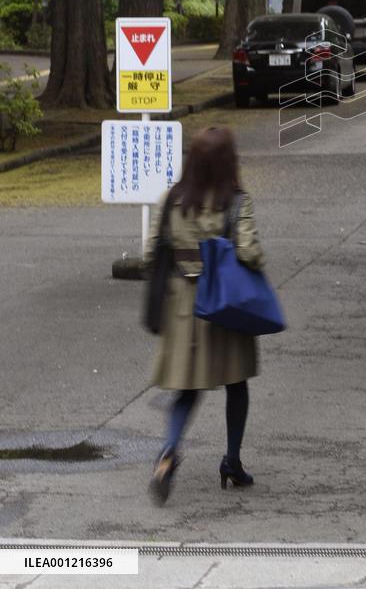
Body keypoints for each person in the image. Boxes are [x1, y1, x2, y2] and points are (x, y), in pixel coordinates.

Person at [142, 126, 265, 504]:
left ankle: (168, 452)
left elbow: (151, 253)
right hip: (224, 302)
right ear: (229, 160)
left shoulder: (171, 198)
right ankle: (232, 460)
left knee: (187, 389)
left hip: (183, 303)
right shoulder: (236, 201)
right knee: (236, 383)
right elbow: (250, 253)